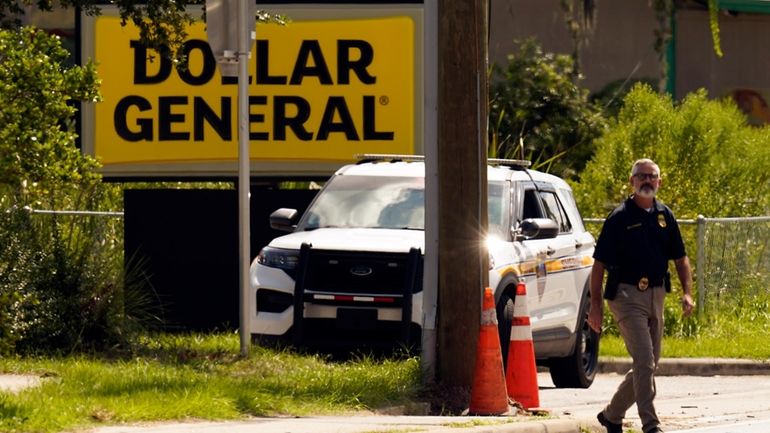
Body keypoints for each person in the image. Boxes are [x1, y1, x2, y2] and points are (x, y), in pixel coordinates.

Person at [588, 158, 695, 433]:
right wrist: (595, 307)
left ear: (659, 182)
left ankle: (611, 415)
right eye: (641, 176)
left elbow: (681, 259)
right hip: (625, 295)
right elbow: (598, 264)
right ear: (632, 181)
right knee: (645, 361)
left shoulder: (664, 215)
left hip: (656, 294)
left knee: (648, 365)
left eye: (652, 176)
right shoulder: (619, 217)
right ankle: (650, 424)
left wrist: (687, 293)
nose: (647, 181)